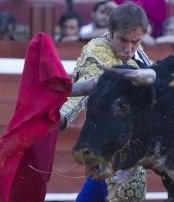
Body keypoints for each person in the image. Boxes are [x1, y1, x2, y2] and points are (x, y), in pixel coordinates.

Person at [59, 2, 151, 201]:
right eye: (123, 40)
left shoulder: (137, 51)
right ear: (110, 32)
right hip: (109, 149)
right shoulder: (97, 53)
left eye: (135, 41)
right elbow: (84, 87)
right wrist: (61, 116)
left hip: (127, 149)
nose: (129, 48)